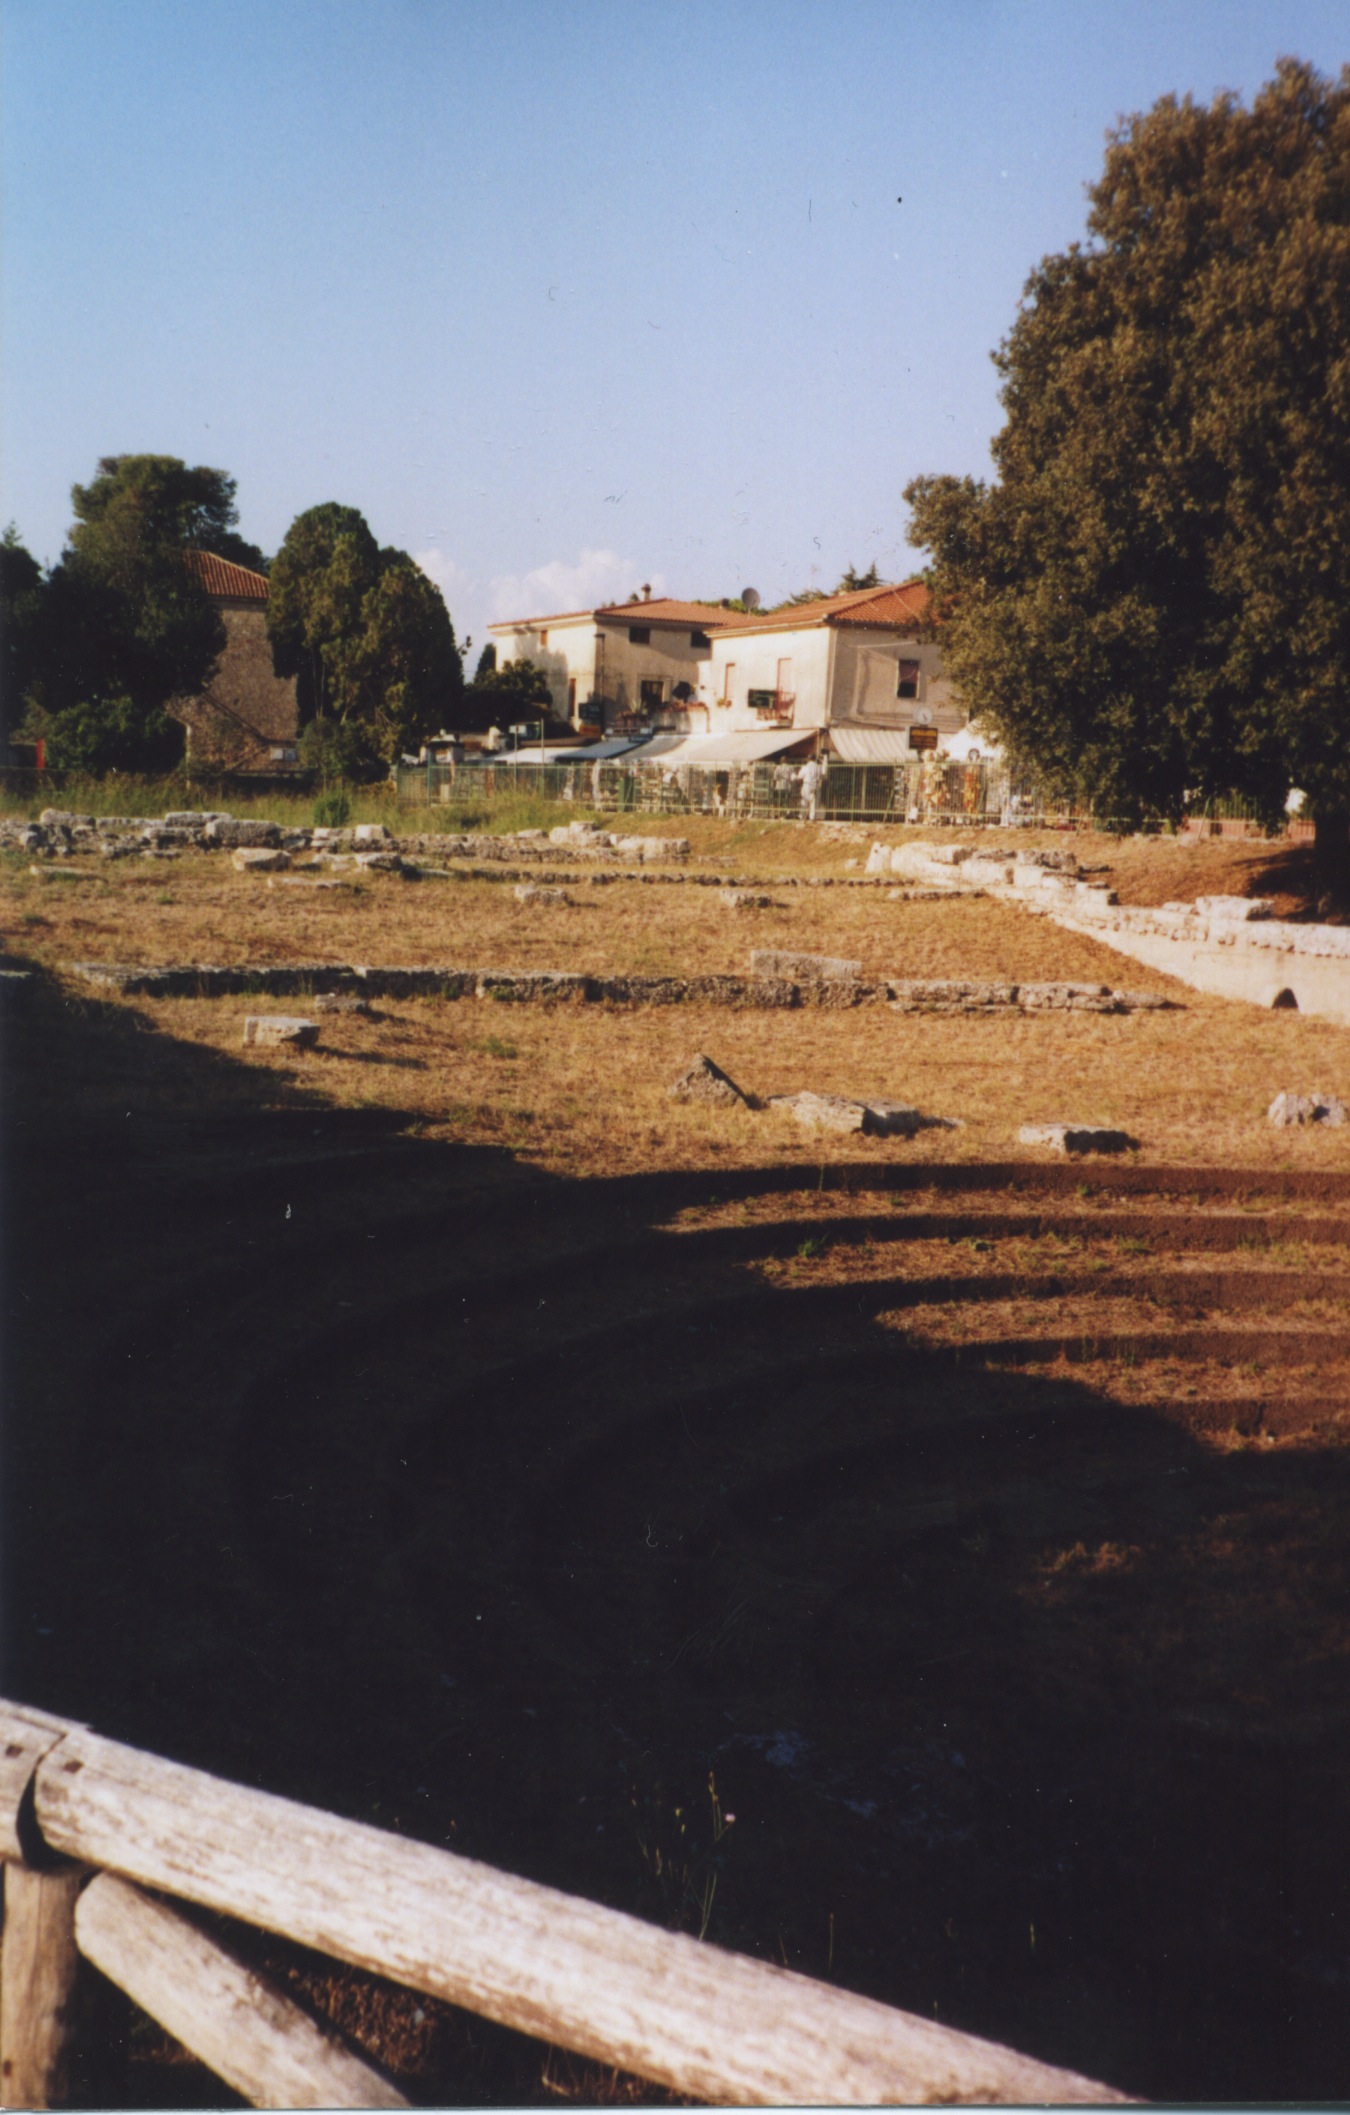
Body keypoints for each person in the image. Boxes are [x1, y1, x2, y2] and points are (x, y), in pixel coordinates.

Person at [798, 756, 823, 822]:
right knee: (813, 801)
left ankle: (802, 816)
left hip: (807, 784)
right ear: (814, 759)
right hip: (815, 785)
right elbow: (821, 776)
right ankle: (812, 817)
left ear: (808, 759)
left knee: (804, 800)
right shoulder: (818, 767)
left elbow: (800, 776)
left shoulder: (806, 767)